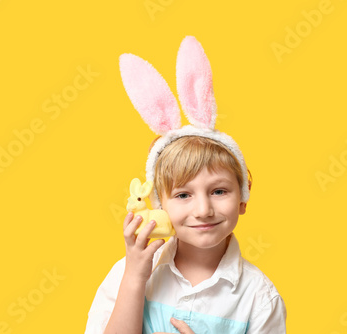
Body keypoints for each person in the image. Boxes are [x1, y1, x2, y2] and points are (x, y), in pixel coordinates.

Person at [84, 36, 286, 334]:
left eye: (219, 191)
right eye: (183, 194)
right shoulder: (127, 274)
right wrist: (135, 278)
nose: (203, 210)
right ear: (159, 206)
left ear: (243, 199)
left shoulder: (259, 298)